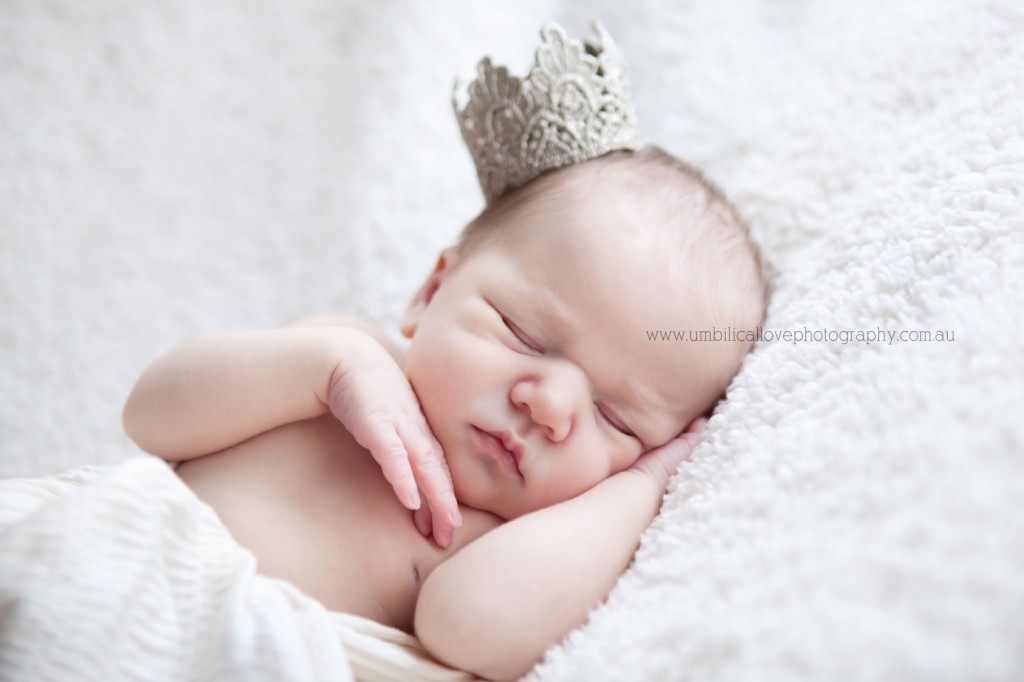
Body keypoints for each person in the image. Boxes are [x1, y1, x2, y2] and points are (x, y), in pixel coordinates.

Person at [122, 24, 768, 681]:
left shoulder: (495, 539)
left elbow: (471, 630)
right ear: (432, 291)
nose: (550, 406)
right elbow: (151, 414)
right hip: (107, 560)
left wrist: (643, 488)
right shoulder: (338, 355)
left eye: (618, 420)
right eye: (522, 333)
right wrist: (325, 365)